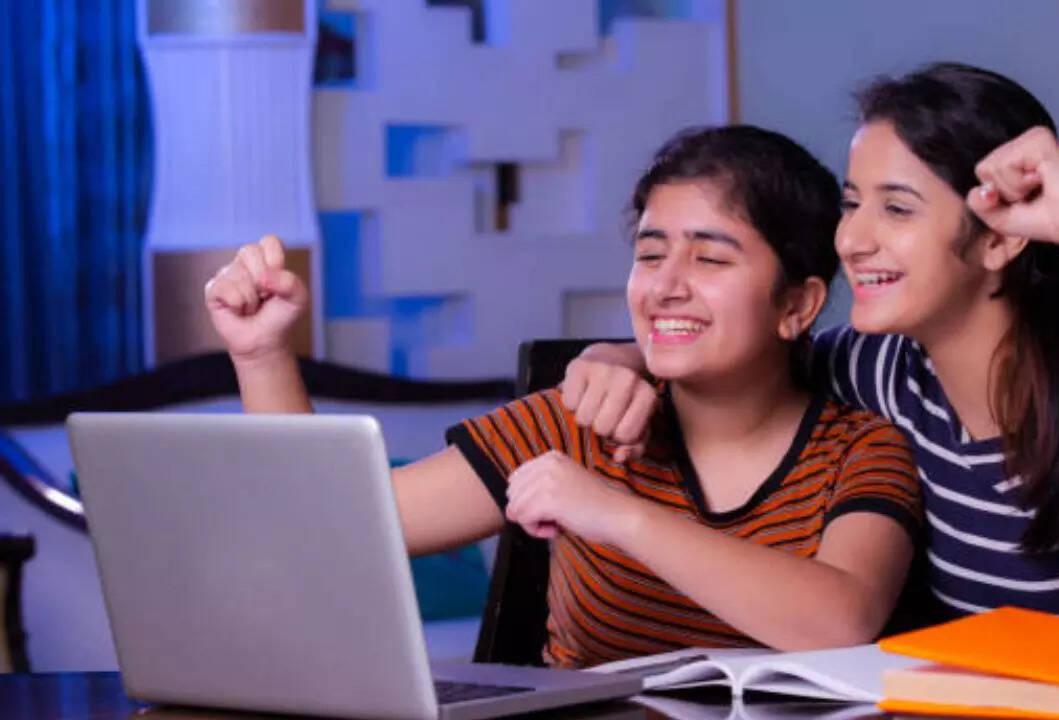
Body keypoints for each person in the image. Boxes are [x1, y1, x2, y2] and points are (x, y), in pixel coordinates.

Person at [560, 63, 1059, 642]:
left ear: (1000, 238)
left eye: (897, 209)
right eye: (852, 204)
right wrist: (623, 358)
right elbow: (738, 350)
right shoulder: (881, 371)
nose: (852, 240)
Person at [202, 126, 922, 668]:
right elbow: (328, 524)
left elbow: (839, 619)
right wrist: (262, 355)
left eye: (709, 258)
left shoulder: (861, 448)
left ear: (797, 305)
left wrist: (616, 515)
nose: (666, 285)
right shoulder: (576, 423)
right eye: (649, 254)